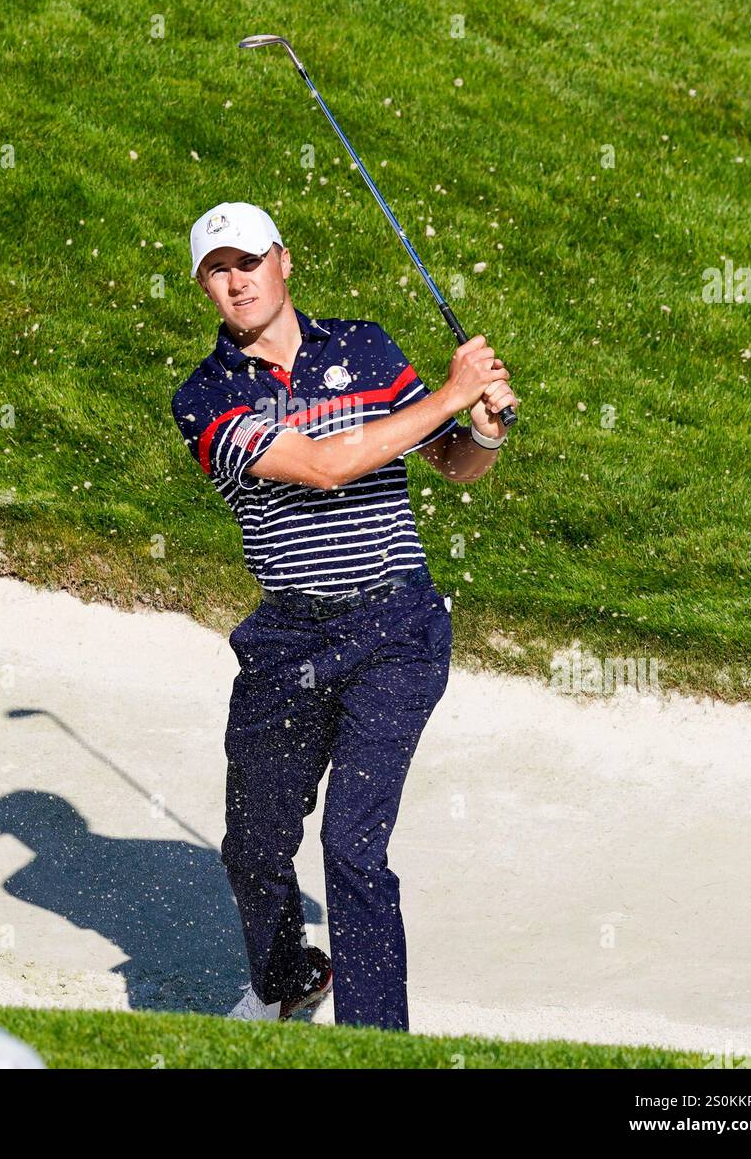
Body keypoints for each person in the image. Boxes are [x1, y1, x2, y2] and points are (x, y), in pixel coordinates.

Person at [170, 201, 516, 1031]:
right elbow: (324, 468)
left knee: (352, 848)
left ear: (283, 261)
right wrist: (452, 391)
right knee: (254, 846)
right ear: (202, 287)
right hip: (288, 640)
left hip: (396, 631)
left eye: (247, 261)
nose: (236, 281)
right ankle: (289, 979)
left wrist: (483, 427)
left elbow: (452, 464)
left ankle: (375, 1043)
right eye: (217, 270)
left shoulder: (363, 347)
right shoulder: (205, 396)